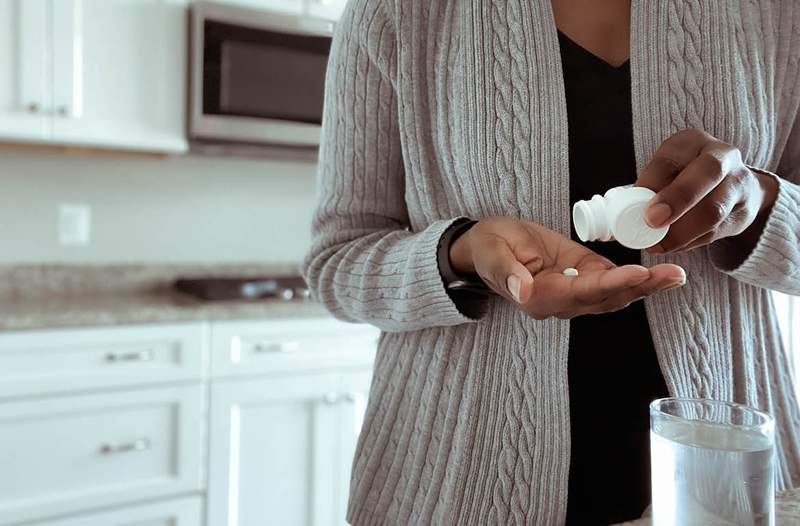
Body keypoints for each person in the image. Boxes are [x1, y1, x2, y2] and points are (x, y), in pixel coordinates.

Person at [303, 0, 800, 523]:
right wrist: (462, 256)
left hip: (727, 473)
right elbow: (337, 263)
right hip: (460, 482)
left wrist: (761, 203)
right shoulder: (398, 13)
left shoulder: (780, 15)